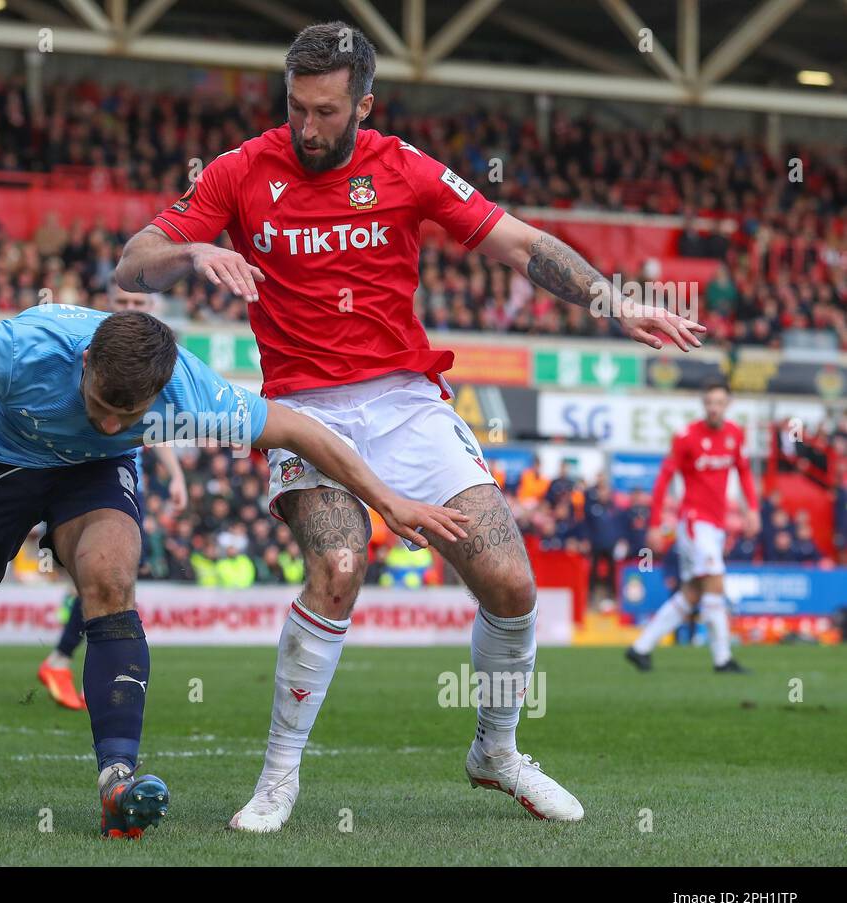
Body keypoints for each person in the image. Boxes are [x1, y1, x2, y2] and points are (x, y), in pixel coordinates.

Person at [116, 22, 702, 829]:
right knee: (340, 564)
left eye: (326, 111)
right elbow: (132, 258)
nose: (308, 127)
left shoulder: (404, 169)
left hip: (404, 401)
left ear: (365, 102)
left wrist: (616, 302)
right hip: (304, 406)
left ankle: (496, 751)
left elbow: (521, 244)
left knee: (511, 583)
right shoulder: (242, 169)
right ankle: (278, 777)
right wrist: (190, 255)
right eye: (297, 108)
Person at [0, 303, 468, 839]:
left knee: (109, 578)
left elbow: (301, 430)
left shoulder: (188, 391)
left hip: (93, 481)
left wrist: (389, 500)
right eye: (98, 403)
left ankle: (116, 780)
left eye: (123, 415)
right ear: (85, 364)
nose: (106, 420)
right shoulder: (19, 350)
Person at [36, 285, 190, 712]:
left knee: (108, 585)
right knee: (106, 585)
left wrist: (175, 476)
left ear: (152, 307)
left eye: (139, 304)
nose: (130, 308)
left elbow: (155, 426)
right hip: (77, 481)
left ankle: (64, 663)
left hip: (122, 482)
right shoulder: (88, 352)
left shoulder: (151, 364)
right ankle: (66, 664)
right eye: (123, 303)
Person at [627, 381, 758, 673]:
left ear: (728, 404)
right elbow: (663, 480)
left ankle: (640, 648)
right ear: (703, 404)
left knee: (693, 593)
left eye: (719, 402)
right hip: (696, 524)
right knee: (715, 583)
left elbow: (745, 474)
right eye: (709, 402)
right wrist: (655, 523)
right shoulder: (687, 437)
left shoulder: (735, 435)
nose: (714, 407)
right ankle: (723, 659)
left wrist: (753, 510)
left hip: (716, 524)